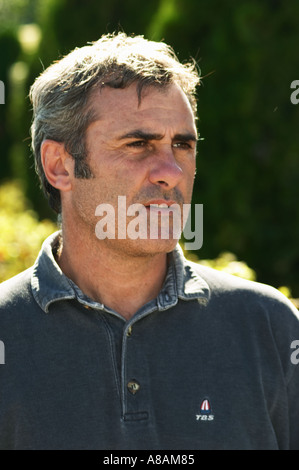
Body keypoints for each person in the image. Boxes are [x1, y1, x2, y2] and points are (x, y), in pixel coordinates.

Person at [0, 32, 299, 451]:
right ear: (59, 165)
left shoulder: (269, 325)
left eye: (183, 144)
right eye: (138, 144)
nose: (172, 171)